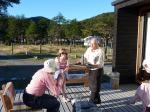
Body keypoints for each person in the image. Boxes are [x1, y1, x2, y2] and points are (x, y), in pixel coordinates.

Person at [79, 37, 104, 104]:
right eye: (90, 44)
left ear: (97, 44)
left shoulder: (100, 51)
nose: (91, 45)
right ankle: (98, 100)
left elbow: (99, 64)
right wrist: (80, 61)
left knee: (95, 86)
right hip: (90, 68)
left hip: (97, 70)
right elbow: (84, 56)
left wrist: (91, 65)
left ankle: (91, 101)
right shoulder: (89, 49)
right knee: (91, 84)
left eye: (93, 44)